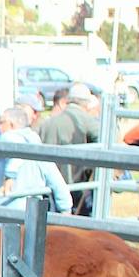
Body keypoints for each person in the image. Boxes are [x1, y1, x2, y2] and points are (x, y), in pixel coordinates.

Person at [0, 107, 73, 213]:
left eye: (1, 122)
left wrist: (10, 176)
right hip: (27, 214)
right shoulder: (38, 150)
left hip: (3, 212)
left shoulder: (8, 137)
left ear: (12, 125)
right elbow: (57, 183)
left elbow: (18, 147)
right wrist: (65, 210)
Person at [39, 83, 99, 215]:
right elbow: (105, 136)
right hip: (75, 184)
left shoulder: (47, 123)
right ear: (87, 103)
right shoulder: (84, 119)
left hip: (48, 183)